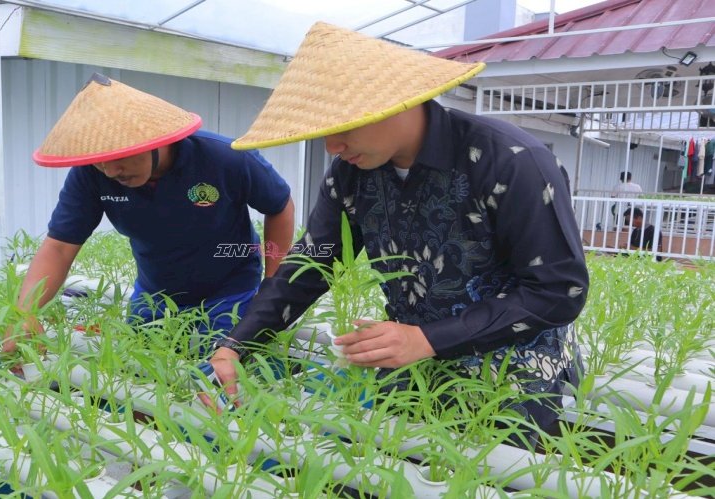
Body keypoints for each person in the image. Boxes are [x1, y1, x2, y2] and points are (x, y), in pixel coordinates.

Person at [202, 22, 589, 439]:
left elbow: (557, 291)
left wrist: (429, 339)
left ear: (399, 102)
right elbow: (310, 264)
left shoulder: (510, 162)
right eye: (323, 133)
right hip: (410, 369)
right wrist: (237, 345)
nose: (332, 146)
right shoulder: (351, 174)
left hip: (509, 379)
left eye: (343, 126)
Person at [2, 73, 295, 354]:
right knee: (143, 382)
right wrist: (24, 313)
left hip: (230, 292)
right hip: (155, 294)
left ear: (157, 140)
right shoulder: (91, 175)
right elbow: (60, 246)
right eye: (100, 163)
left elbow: (279, 206)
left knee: (222, 383)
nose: (111, 172)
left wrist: (271, 287)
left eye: (119, 158)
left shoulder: (224, 158)